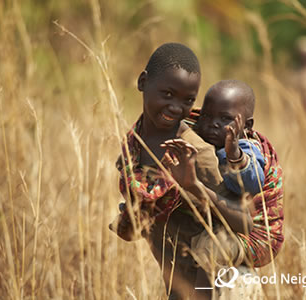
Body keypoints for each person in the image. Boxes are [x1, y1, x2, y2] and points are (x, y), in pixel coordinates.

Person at [109, 43, 252, 300]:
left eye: (187, 100)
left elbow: (245, 223)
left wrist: (195, 187)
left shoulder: (196, 154)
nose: (176, 107)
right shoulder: (134, 145)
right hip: (177, 285)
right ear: (143, 82)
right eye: (167, 94)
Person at [167, 79, 284, 271]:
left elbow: (252, 184)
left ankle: (201, 292)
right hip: (225, 223)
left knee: (209, 249)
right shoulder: (202, 138)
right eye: (206, 116)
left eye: (224, 119)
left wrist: (234, 154)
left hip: (255, 238)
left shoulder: (248, 146)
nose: (212, 124)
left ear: (247, 126)